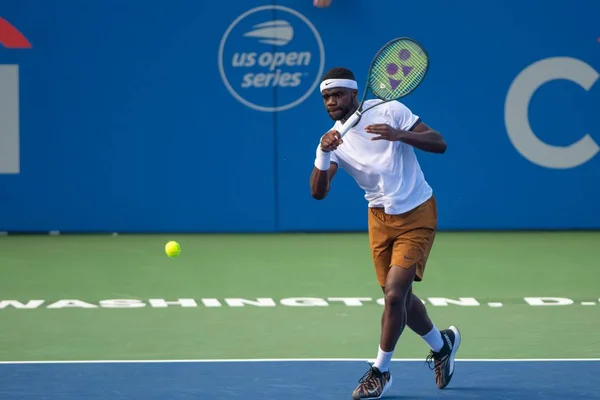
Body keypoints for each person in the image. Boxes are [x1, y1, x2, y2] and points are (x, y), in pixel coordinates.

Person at [309, 67, 461, 399]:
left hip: (418, 211)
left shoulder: (389, 110)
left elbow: (439, 143)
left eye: (337, 95)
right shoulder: (334, 139)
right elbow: (318, 193)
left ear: (353, 94)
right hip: (379, 219)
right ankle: (442, 345)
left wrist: (400, 134)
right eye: (326, 98)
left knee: (394, 295)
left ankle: (380, 371)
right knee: (401, 298)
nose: (331, 102)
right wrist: (323, 152)